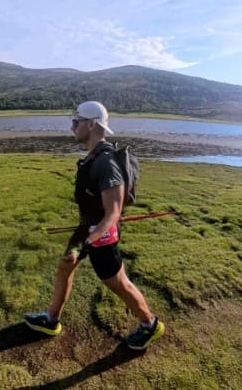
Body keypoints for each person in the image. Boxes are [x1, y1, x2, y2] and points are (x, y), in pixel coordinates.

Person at [24, 101, 165, 350]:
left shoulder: (106, 163)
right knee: (65, 265)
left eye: (75, 122)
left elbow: (113, 212)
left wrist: (88, 240)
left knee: (117, 282)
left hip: (101, 236)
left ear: (91, 124)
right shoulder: (94, 156)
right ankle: (51, 319)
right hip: (86, 230)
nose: (72, 127)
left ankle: (150, 325)